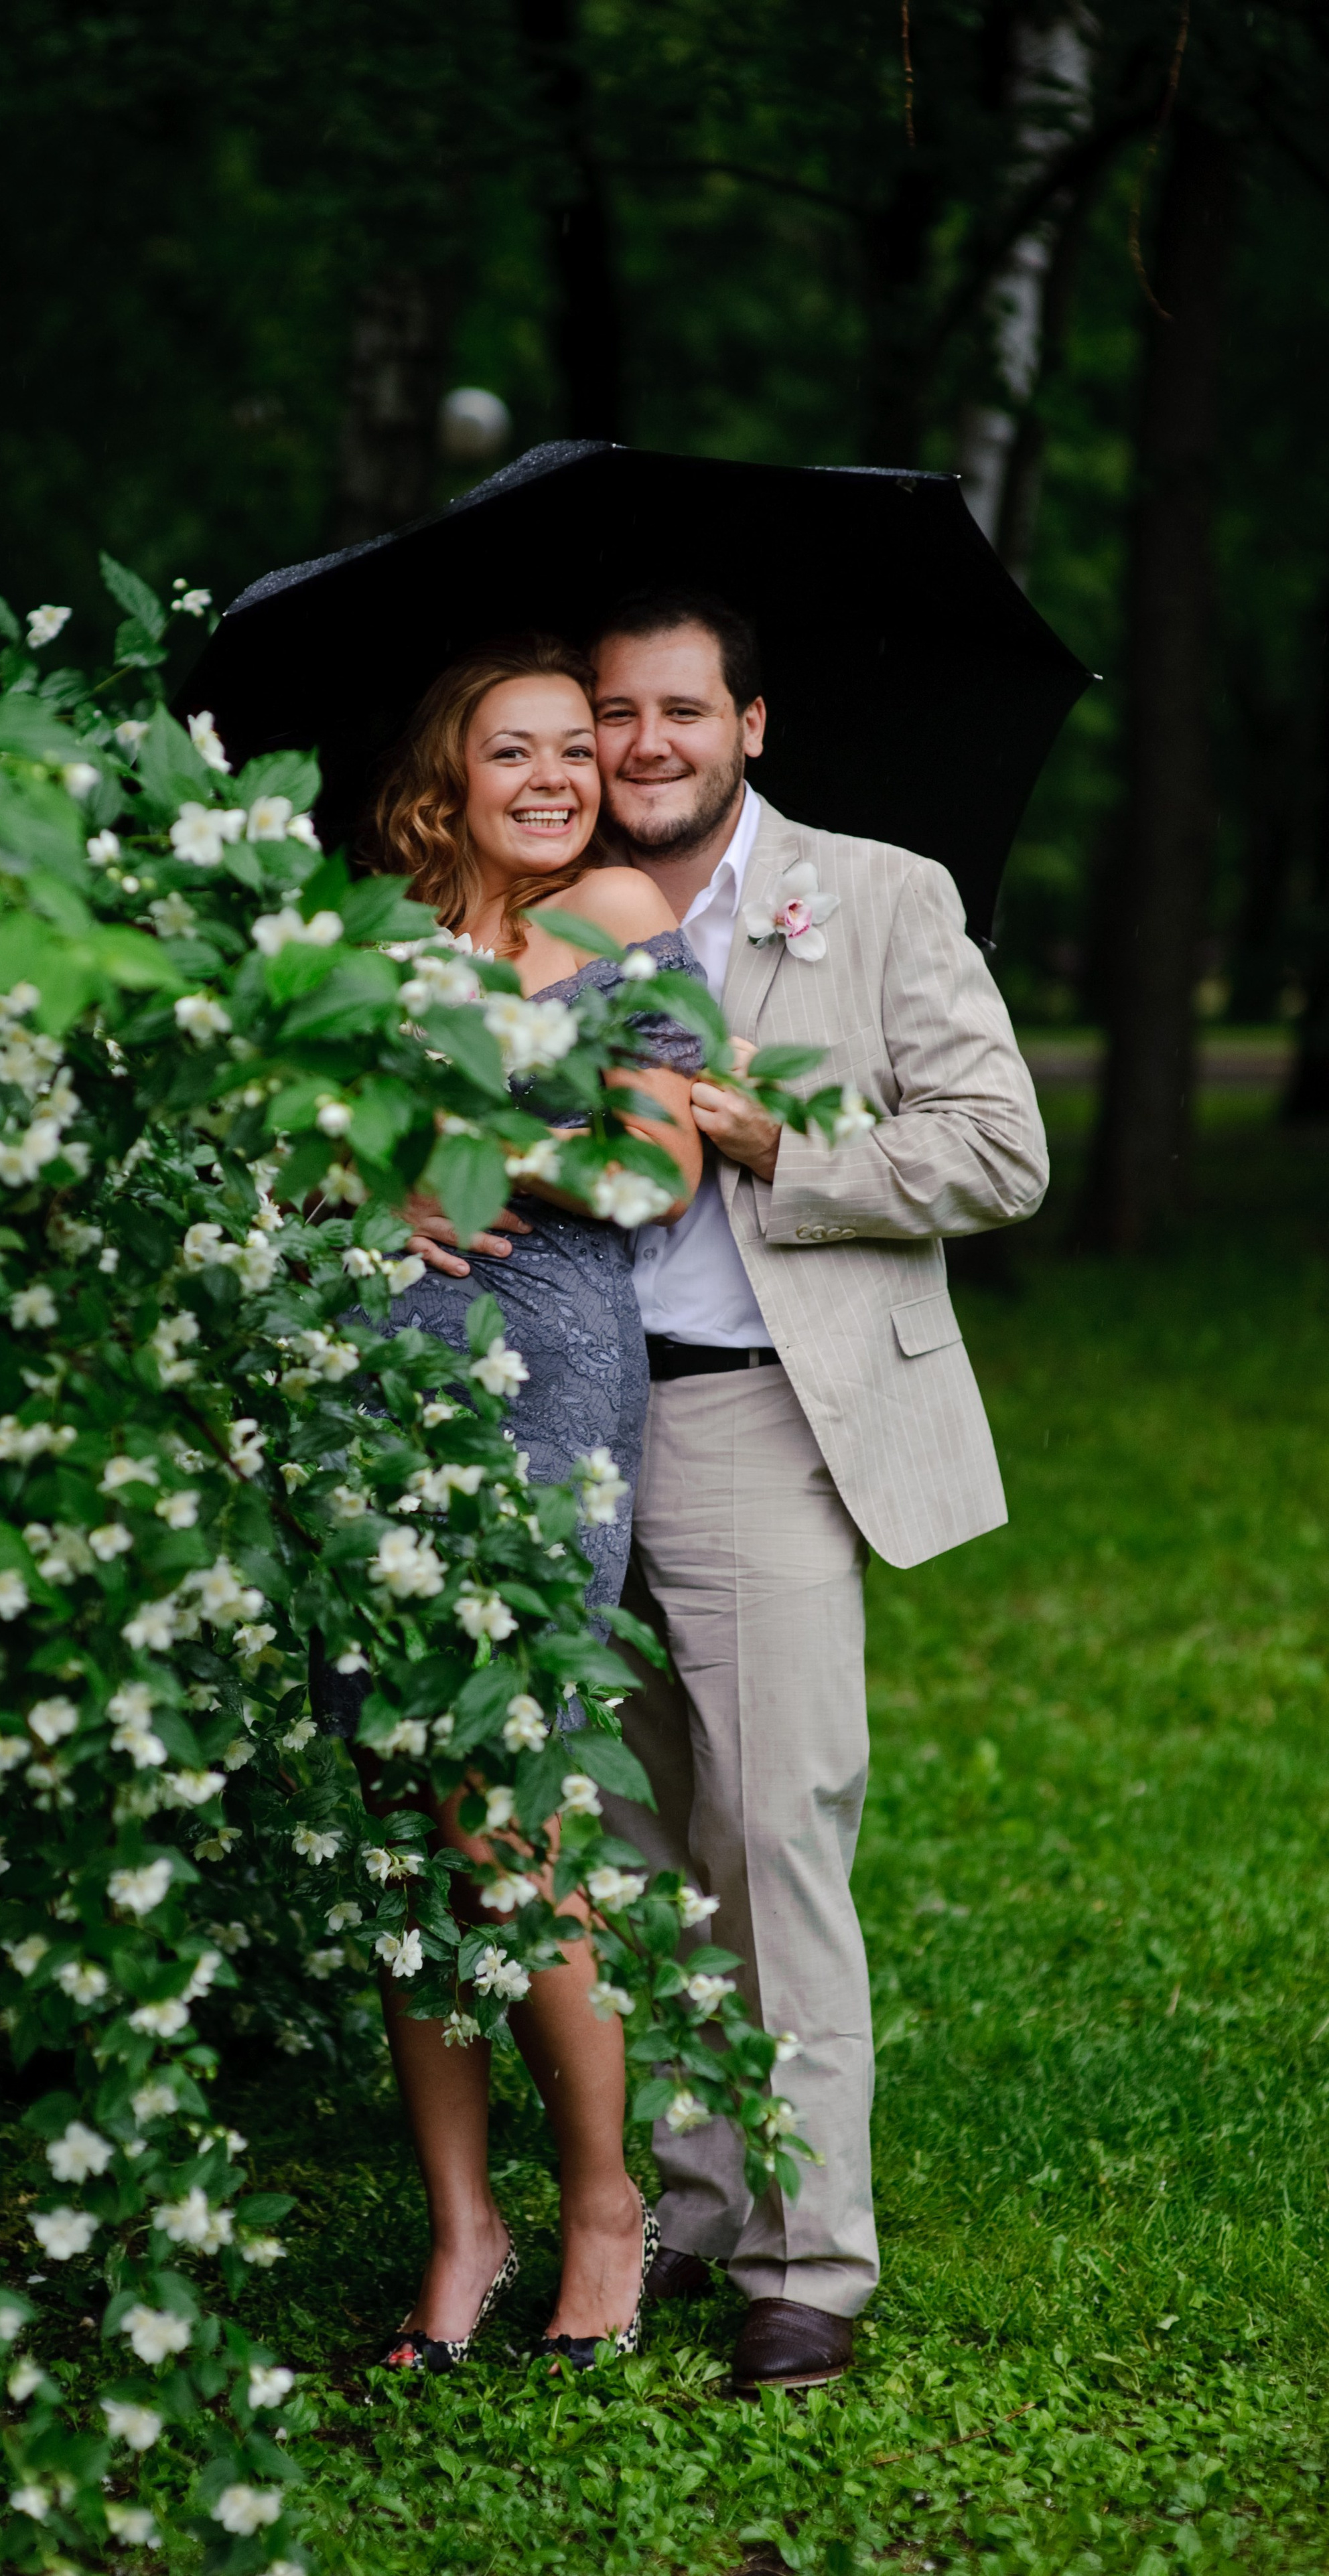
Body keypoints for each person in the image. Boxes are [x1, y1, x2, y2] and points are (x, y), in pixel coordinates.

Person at [584, 588, 1049, 2395]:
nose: (644, 748)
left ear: (750, 727)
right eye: (614, 714)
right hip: (563, 1418)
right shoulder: (533, 907)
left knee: (771, 1838)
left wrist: (771, 1138)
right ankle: (683, 2208)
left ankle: (807, 2258)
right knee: (620, 1843)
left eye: (682, 712)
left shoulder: (874, 896)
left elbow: (999, 1148)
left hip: (757, 1418)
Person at [331, 633, 707, 2372]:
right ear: (448, 778)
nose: (560, 775)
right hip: (373, 1381)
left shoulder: (626, 921)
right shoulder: (369, 944)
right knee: (409, 1822)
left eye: (580, 747)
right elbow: (280, 1147)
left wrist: (466, 1152)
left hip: (547, 1375)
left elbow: (653, 1166)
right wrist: (363, 1189)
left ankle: (606, 2205)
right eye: (518, 751)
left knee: (513, 1810)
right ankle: (463, 2231)